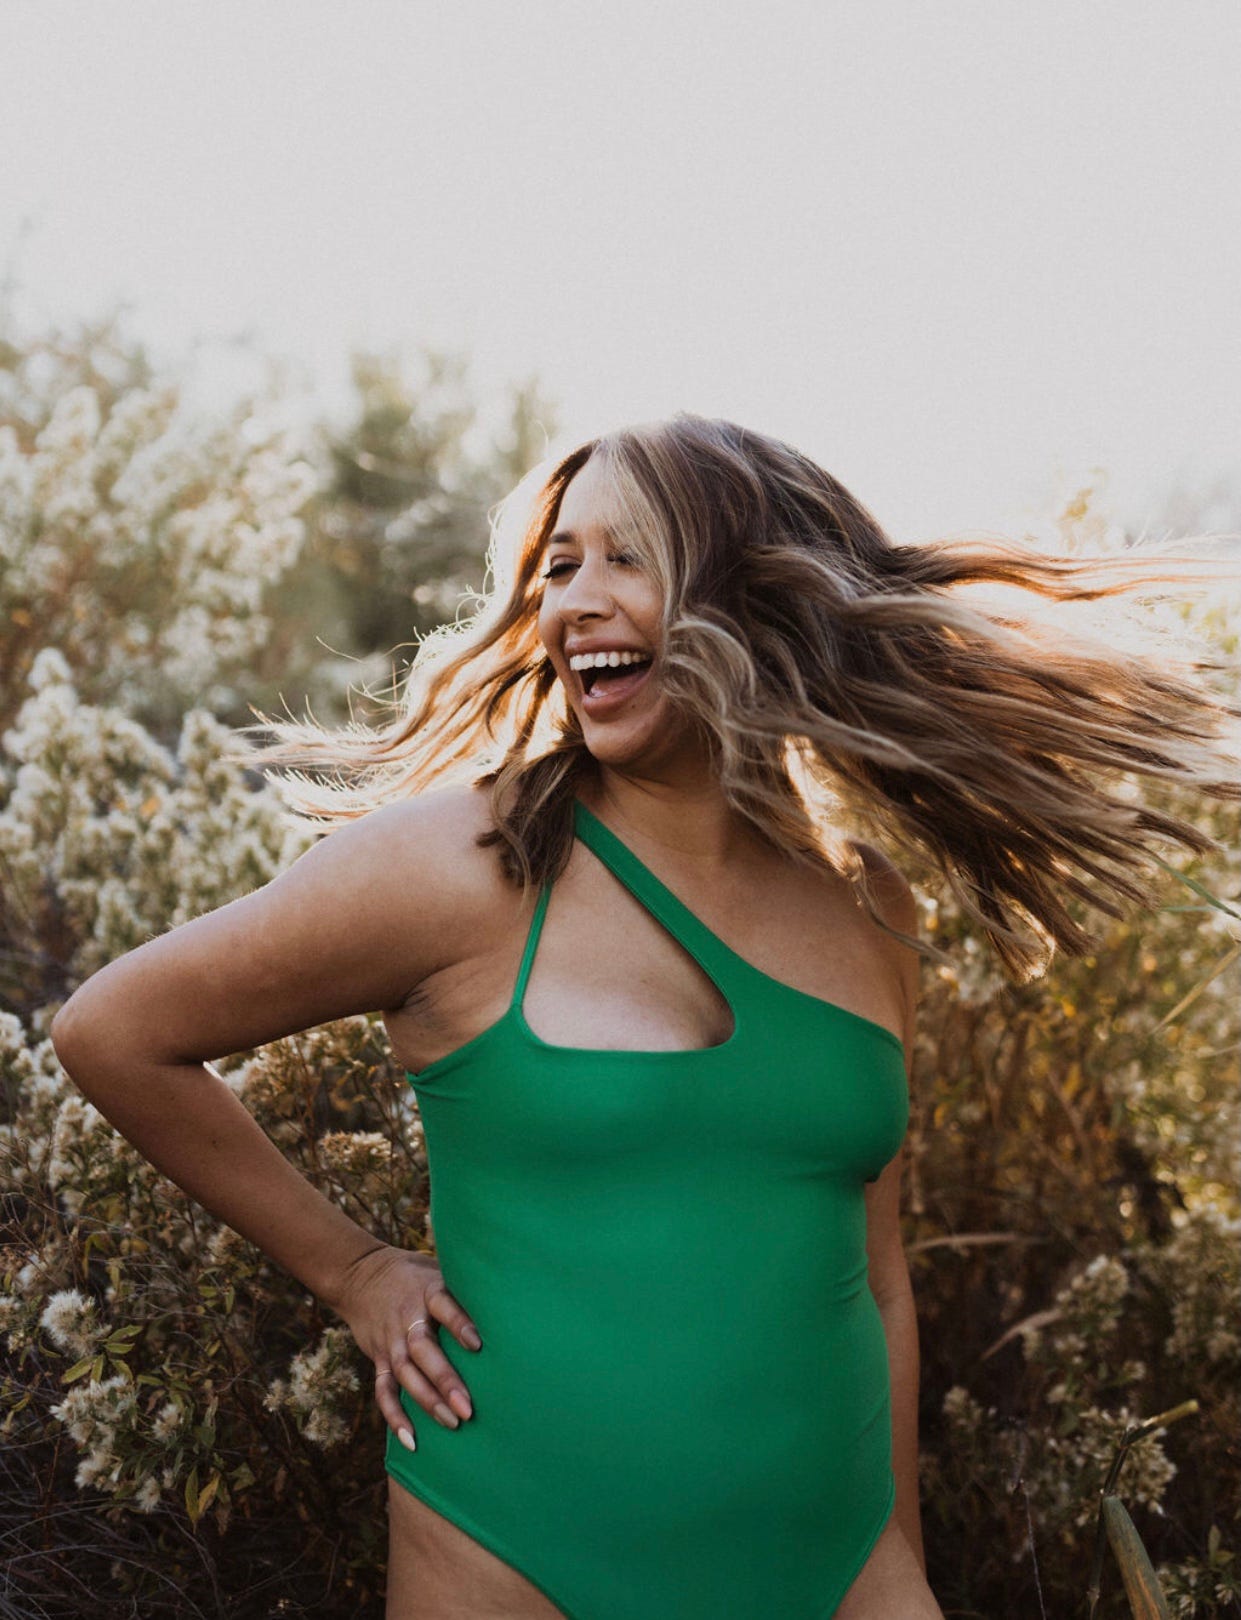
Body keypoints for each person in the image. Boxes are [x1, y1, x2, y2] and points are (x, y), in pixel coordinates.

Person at [50, 414, 1239, 1620]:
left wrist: (901, 1564)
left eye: (628, 558)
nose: (575, 602)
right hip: (513, 1561)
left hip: (837, 1571)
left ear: (750, 593)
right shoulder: (460, 866)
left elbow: (875, 1280)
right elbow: (115, 1031)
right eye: (558, 565)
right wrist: (355, 1272)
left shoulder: (865, 903)